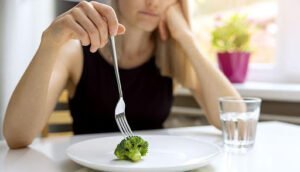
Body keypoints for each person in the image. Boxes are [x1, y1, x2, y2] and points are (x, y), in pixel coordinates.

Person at [3, 0, 239, 149]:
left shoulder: (172, 54)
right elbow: (17, 136)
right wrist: (49, 43)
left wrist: (186, 38)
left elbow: (236, 122)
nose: (153, 2)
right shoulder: (76, 51)